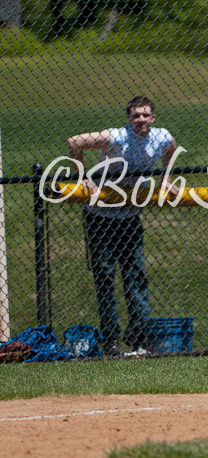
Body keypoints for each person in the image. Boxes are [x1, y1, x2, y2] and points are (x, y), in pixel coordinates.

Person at [67, 96, 178, 356]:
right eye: (136, 115)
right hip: (101, 216)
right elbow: (75, 143)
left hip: (129, 216)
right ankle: (111, 340)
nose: (141, 120)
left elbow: (172, 150)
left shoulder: (160, 137)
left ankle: (138, 338)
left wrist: (166, 178)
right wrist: (84, 178)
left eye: (145, 115)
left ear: (153, 118)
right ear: (128, 119)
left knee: (135, 276)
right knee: (105, 276)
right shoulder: (117, 137)